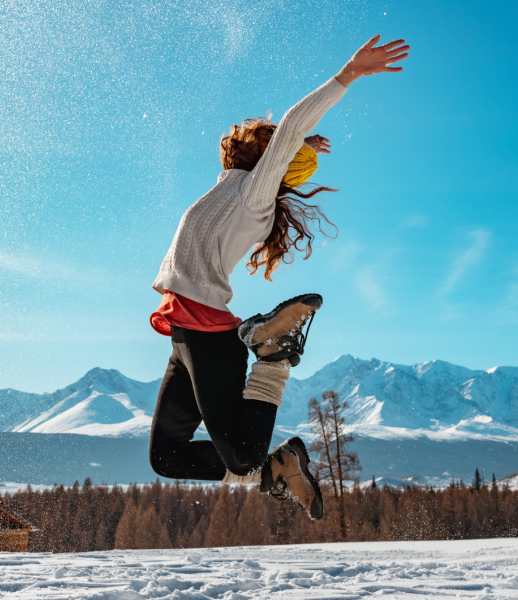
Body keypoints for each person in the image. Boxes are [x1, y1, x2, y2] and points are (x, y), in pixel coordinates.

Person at [149, 35, 409, 520]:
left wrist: (347, 75)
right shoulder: (225, 187)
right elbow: (270, 144)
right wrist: (293, 148)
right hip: (184, 335)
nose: (254, 140)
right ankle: (279, 470)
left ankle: (272, 355)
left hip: (207, 333)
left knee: (239, 456)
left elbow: (286, 127)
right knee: (167, 458)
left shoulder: (252, 196)